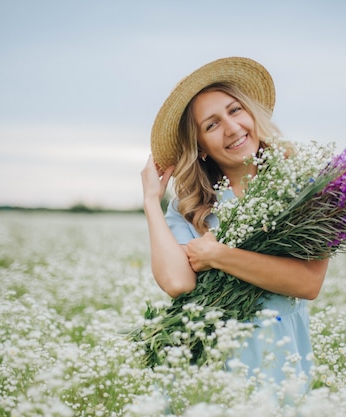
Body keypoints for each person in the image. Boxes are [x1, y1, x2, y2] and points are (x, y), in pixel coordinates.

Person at [140, 57, 329, 390]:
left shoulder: (304, 189)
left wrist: (217, 256)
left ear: (252, 115)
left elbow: (308, 283)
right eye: (211, 125)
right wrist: (151, 202)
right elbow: (177, 282)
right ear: (200, 148)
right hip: (208, 372)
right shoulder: (190, 208)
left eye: (235, 110)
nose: (231, 128)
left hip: (279, 365)